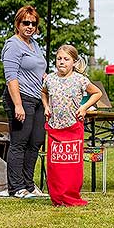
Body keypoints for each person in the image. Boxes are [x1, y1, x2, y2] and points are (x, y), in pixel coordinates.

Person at [42, 45, 102, 206]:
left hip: (73, 126)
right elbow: (44, 92)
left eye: (66, 59)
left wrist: (84, 107)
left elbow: (97, 93)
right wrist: (46, 107)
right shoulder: (50, 79)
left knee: (71, 165)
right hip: (55, 128)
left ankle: (70, 195)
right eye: (59, 58)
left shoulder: (80, 79)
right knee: (56, 165)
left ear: (74, 62)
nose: (62, 62)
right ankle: (56, 196)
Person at [1, 5, 47, 199]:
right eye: (25, 22)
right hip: (20, 99)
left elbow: (38, 71)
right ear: (18, 24)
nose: (29, 26)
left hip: (37, 99)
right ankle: (16, 187)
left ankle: (29, 185)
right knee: (19, 143)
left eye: (33, 23)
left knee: (35, 141)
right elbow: (11, 77)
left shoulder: (35, 45)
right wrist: (18, 105)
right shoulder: (13, 45)